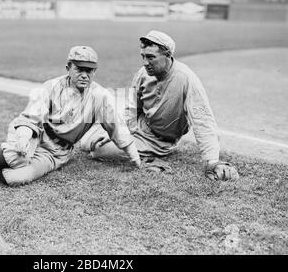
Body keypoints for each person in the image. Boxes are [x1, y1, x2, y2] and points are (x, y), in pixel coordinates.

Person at [0, 45, 141, 186]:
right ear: (68, 68)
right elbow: (31, 117)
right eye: (79, 69)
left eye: (90, 71)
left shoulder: (100, 95)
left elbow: (116, 126)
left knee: (17, 178)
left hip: (57, 152)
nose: (84, 75)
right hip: (37, 136)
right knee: (17, 155)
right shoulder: (51, 86)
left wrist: (132, 153)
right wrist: (24, 138)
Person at [80, 31, 239, 181]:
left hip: (160, 141)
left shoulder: (186, 79)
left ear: (168, 55)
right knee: (86, 144)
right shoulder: (143, 74)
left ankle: (151, 159)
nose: (145, 63)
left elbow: (203, 120)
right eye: (143, 57)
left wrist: (212, 161)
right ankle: (121, 144)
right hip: (140, 128)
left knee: (99, 150)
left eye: (151, 57)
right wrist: (124, 133)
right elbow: (132, 109)